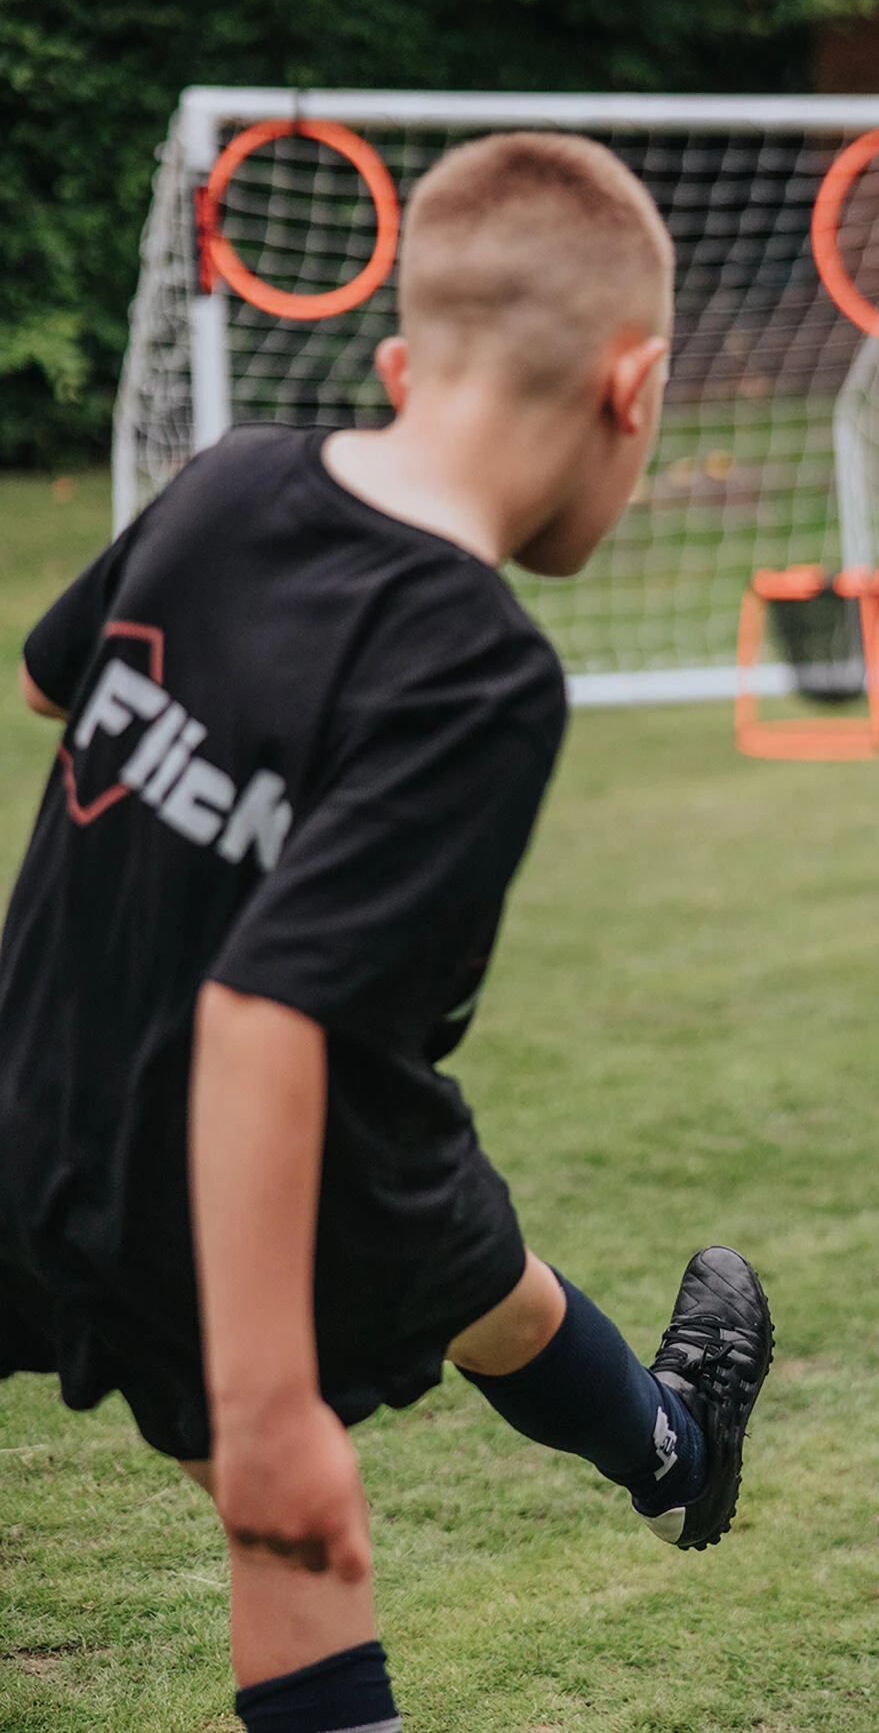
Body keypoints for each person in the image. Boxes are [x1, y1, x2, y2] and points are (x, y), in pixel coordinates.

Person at [0, 132, 772, 1733]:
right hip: (239, 1168)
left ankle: (673, 1446)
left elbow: (47, 680)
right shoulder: (480, 669)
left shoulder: (225, 483)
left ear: (405, 364)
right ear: (633, 389)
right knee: (298, 1527)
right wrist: (270, 1407)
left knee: (479, 1270)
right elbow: (266, 1016)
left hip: (36, 1094)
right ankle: (673, 1446)